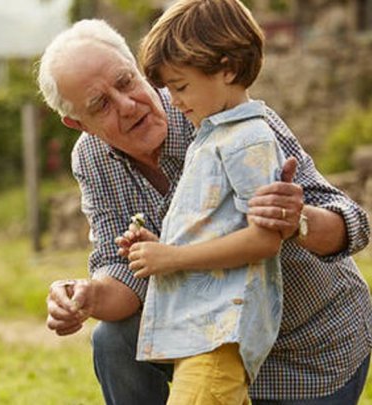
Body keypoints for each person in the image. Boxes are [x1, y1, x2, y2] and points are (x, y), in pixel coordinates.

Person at [38, 17, 372, 405]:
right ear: (78, 124)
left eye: (126, 81)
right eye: (101, 104)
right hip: (206, 341)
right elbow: (123, 268)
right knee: (113, 339)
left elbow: (352, 224)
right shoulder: (93, 158)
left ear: (136, 65)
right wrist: (88, 296)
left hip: (307, 347)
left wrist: (297, 218)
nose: (127, 106)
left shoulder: (224, 109)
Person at [118, 1, 287, 402]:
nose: (174, 101)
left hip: (218, 335)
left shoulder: (250, 139)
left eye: (181, 86)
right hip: (200, 335)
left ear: (227, 69)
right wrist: (157, 248)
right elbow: (214, 226)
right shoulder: (212, 136)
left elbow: (265, 240)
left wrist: (171, 259)